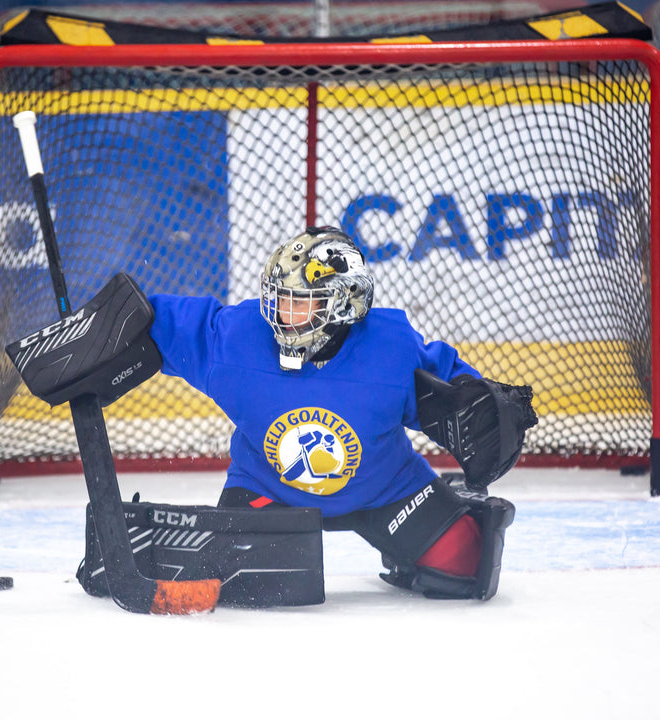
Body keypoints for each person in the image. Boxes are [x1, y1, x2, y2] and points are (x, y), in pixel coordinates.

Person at [132, 226, 537, 600]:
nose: (281, 315)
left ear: (344, 302)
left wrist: (480, 406)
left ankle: (451, 504)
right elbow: (169, 327)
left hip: (388, 490)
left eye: (298, 303)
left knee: (465, 565)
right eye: (279, 299)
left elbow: (448, 383)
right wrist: (123, 324)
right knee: (247, 584)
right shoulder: (240, 336)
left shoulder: (391, 345)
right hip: (267, 491)